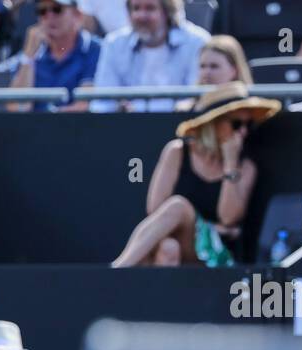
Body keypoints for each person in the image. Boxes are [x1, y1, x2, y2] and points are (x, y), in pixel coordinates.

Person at [111, 81, 279, 268]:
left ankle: (117, 270)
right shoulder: (177, 152)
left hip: (218, 256)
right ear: (214, 124)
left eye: (249, 125)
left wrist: (230, 163)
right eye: (236, 124)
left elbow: (229, 218)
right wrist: (206, 226)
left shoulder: (245, 167)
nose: (244, 131)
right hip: (180, 242)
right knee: (169, 247)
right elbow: (155, 210)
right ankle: (127, 278)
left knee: (179, 206)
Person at [89, 0, 209, 113]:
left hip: (181, 126)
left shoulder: (197, 42)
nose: (141, 16)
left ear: (168, 12)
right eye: (136, 8)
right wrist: (118, 109)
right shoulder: (113, 43)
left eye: (150, 8)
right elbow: (102, 102)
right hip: (127, 127)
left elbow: (196, 97)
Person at [11, 1, 101, 113]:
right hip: (35, 128)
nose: (49, 17)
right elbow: (17, 107)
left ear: (77, 15)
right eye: (42, 11)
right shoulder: (31, 54)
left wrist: (51, 118)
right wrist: (29, 56)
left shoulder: (95, 49)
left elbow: (85, 105)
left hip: (77, 128)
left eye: (57, 9)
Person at [174, 34, 250, 111]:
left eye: (214, 66)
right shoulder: (184, 110)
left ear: (234, 70)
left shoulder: (251, 110)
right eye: (202, 66)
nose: (206, 72)